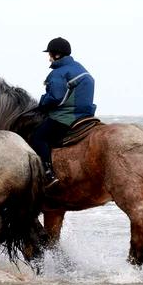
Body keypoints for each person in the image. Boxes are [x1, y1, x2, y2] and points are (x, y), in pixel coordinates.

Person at [31, 37, 96, 187]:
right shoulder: (80, 68)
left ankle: (48, 174)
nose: (49, 59)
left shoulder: (59, 73)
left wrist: (41, 103)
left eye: (50, 55)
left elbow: (56, 98)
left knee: (38, 137)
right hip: (86, 116)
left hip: (66, 118)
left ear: (57, 55)